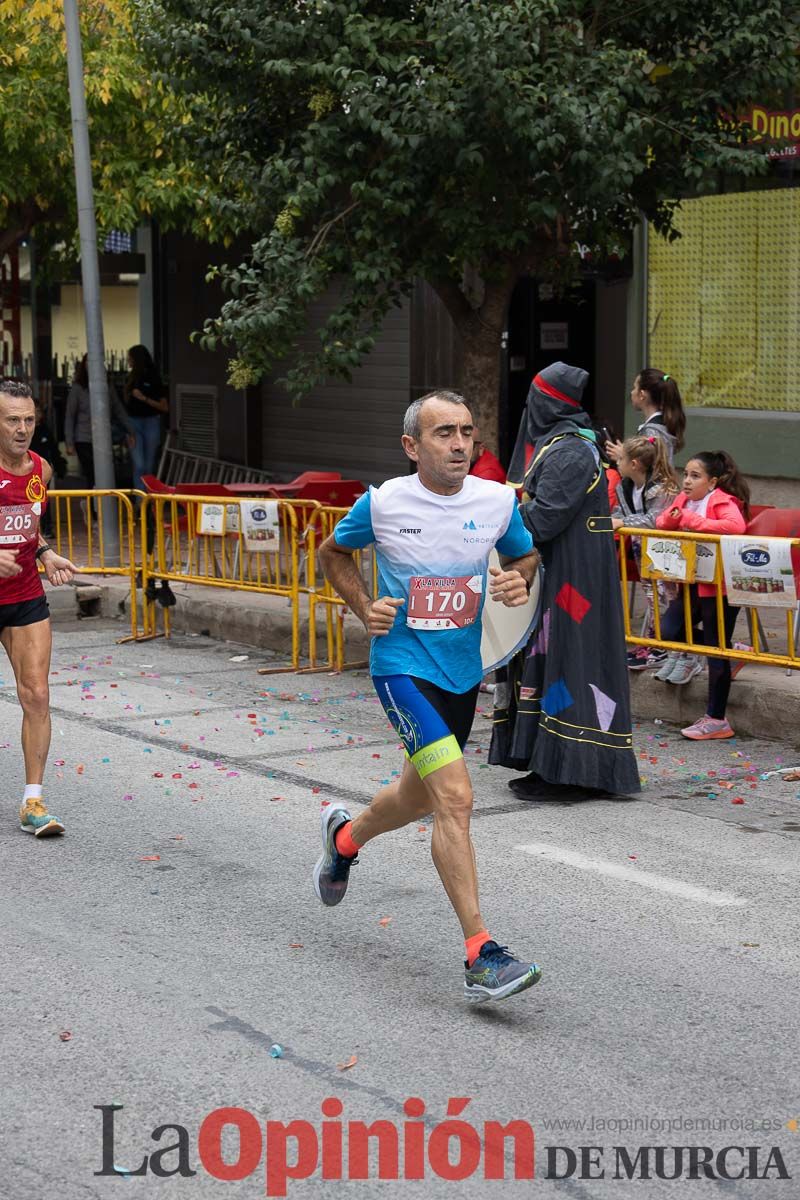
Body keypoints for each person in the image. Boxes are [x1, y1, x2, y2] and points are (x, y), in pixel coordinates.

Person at [316, 390, 543, 1003]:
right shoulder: (385, 503)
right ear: (412, 446)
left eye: (467, 432)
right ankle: (481, 952)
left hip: (461, 673)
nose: (460, 444)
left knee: (416, 797)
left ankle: (343, 840)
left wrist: (515, 582)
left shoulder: (497, 502)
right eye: (444, 433)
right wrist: (365, 607)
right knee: (456, 797)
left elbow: (525, 555)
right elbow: (332, 553)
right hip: (402, 668)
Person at [490, 363, 641, 801]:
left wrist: (492, 522)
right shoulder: (560, 446)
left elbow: (544, 517)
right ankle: (548, 763)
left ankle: (575, 771)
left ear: (548, 404)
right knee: (550, 663)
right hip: (559, 574)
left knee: (572, 663)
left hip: (575, 582)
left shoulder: (572, 451)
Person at [0, 379, 77, 837]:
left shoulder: (41, 470)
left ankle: (33, 801)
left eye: (29, 419)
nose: (22, 428)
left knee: (38, 696)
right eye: (12, 420)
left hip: (24, 595)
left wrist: (45, 553)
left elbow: (30, 526)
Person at [653, 451, 749, 738]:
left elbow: (735, 527)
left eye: (695, 476)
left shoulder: (722, 500)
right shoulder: (685, 500)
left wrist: (691, 521)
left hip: (719, 586)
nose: (686, 481)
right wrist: (674, 519)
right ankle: (732, 652)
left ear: (712, 482)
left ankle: (717, 719)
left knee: (714, 648)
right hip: (691, 581)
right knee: (669, 630)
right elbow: (662, 522)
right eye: (686, 474)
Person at [611, 434, 679, 672]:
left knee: (666, 595)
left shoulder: (663, 488)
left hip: (667, 550)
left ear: (634, 464)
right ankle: (653, 643)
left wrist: (622, 522)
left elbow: (655, 519)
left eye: (620, 459)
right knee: (651, 594)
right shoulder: (625, 486)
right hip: (643, 547)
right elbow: (618, 512)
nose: (616, 463)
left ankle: (663, 646)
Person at [65, 354, 136, 488]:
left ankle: (102, 505)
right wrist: (69, 442)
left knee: (108, 474)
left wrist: (131, 431)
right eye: (88, 363)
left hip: (104, 437)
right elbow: (70, 416)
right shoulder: (78, 388)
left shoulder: (107, 387)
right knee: (91, 474)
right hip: (84, 438)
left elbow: (118, 410)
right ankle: (92, 506)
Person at [606, 369, 686, 466]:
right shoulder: (662, 426)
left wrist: (623, 457)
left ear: (642, 395)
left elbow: (650, 471)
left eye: (634, 387)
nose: (632, 392)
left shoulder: (651, 432)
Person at [124, 345, 168, 492]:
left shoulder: (153, 377)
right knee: (139, 464)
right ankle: (139, 501)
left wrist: (144, 398)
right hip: (133, 423)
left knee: (149, 466)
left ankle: (148, 502)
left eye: (130, 357)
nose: (128, 360)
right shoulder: (130, 378)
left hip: (151, 421)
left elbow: (164, 406)